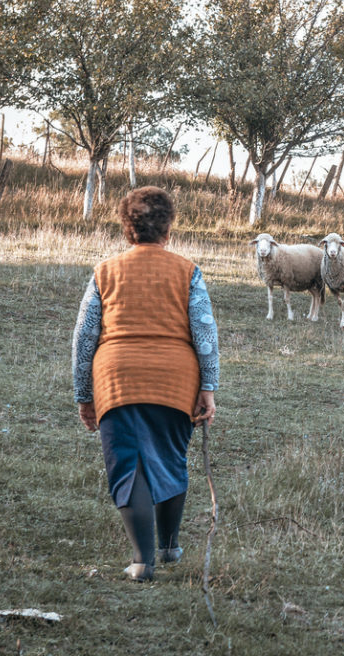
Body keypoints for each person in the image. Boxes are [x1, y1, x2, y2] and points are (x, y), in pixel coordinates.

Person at [71, 186, 219, 582]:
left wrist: (84, 396)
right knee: (169, 457)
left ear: (127, 230)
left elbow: (85, 338)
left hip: (116, 379)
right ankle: (170, 545)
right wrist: (208, 387)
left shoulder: (105, 271)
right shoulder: (188, 271)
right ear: (168, 230)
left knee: (129, 468)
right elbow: (204, 332)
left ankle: (142, 561)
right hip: (176, 380)